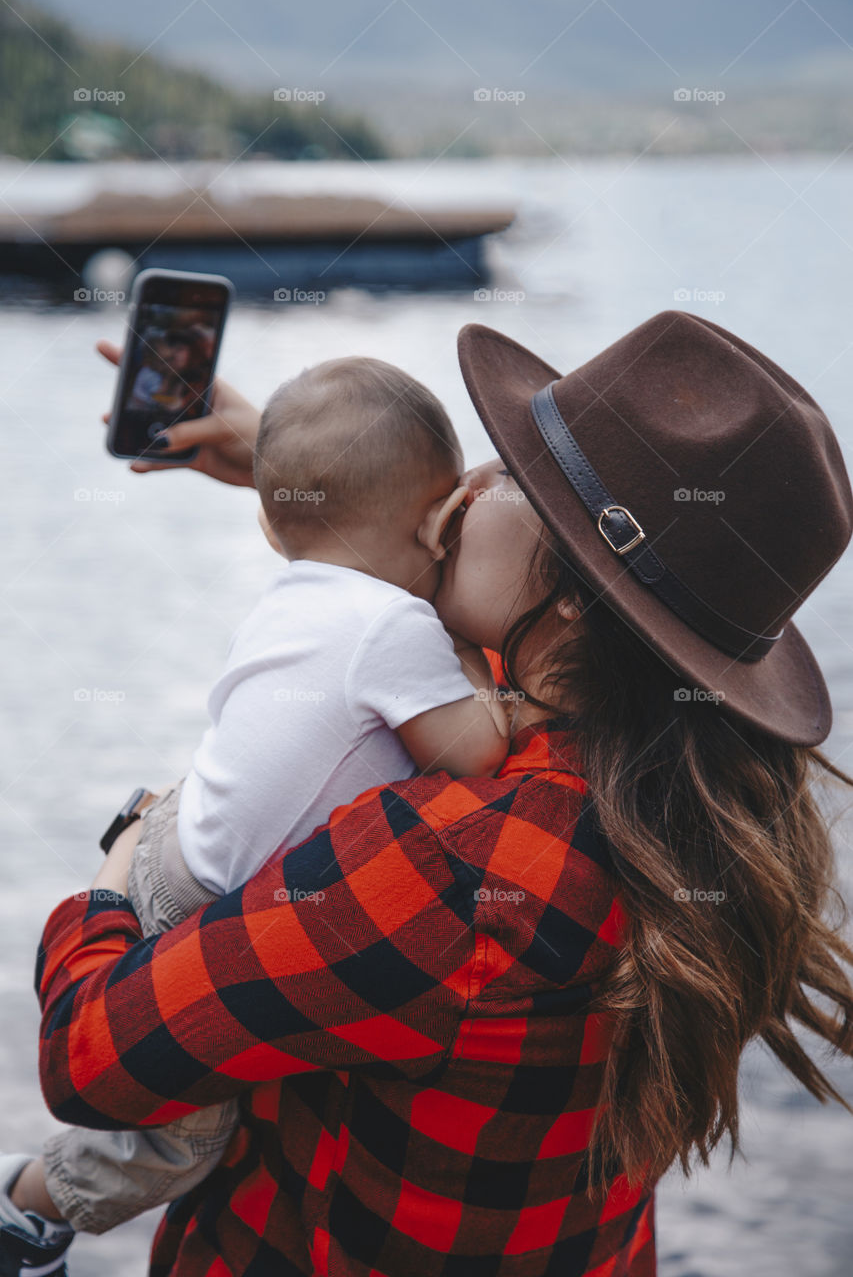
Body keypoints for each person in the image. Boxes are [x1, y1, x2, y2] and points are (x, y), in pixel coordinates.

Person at [10, 311, 853, 1277]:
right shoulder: (695, 794)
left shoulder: (452, 873)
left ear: (574, 597)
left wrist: (121, 865)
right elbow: (456, 653)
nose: (474, 484)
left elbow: (92, 1058)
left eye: (513, 477)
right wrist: (311, 479)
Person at [0, 355, 510, 1262]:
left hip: (175, 833)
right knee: (179, 1141)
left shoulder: (291, 593)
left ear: (273, 530)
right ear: (441, 524)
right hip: (197, 898)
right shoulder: (397, 629)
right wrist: (498, 680)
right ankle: (28, 1208)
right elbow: (476, 751)